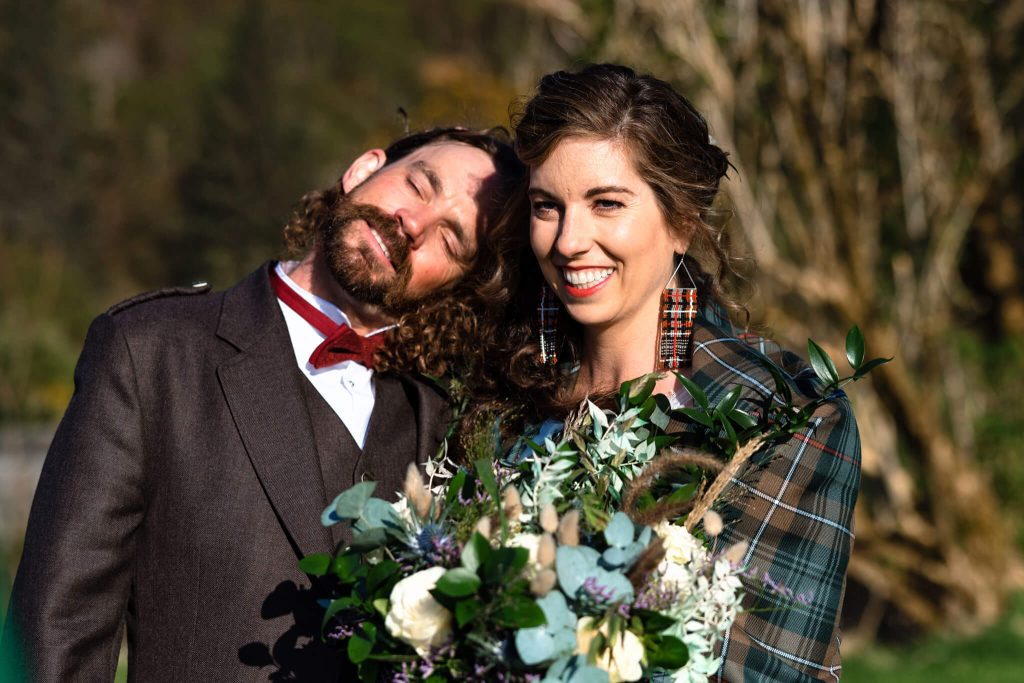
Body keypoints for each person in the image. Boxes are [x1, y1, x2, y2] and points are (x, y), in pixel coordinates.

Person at [2, 126, 525, 682]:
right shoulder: (152, 352)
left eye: (451, 239)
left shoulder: (445, 429)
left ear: (455, 284)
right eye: (419, 185)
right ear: (363, 169)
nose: (414, 224)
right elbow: (55, 633)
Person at [501, 64, 861, 682]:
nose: (568, 241)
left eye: (606, 203)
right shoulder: (502, 395)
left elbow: (767, 668)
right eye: (546, 207)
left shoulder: (782, 414)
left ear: (682, 219)